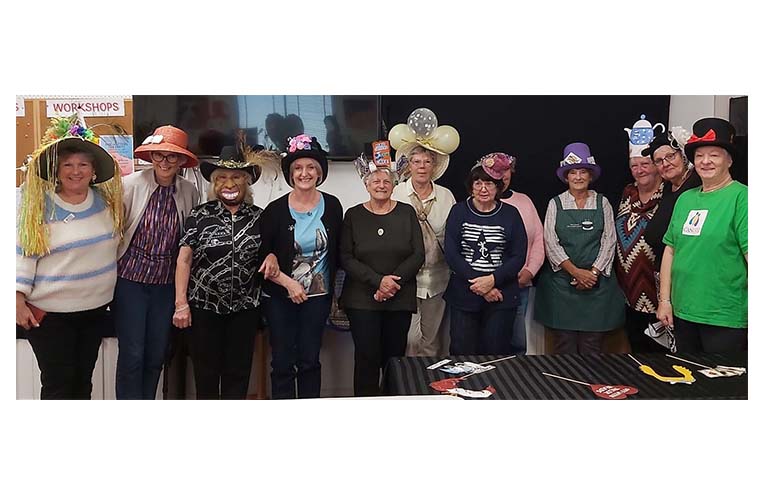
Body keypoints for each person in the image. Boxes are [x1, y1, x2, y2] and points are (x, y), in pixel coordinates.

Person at [16, 114, 123, 399]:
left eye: (83, 165)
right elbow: (23, 252)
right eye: (68, 165)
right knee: (58, 387)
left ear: (93, 170)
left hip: (94, 311)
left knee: (82, 383)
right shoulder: (39, 206)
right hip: (51, 317)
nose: (76, 171)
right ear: (57, 170)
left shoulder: (106, 203)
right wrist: (16, 299)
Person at [173, 145, 268, 399]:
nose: (229, 183)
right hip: (204, 309)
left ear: (246, 182)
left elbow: (270, 254)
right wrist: (181, 304)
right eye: (222, 177)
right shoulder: (199, 215)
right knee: (205, 375)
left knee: (238, 375)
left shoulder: (260, 217)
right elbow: (184, 260)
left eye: (236, 177)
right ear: (214, 184)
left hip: (245, 310)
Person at [114, 125, 200, 399]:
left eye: (172, 156)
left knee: (156, 353)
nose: (165, 162)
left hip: (166, 285)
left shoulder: (189, 191)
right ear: (151, 157)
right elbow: (116, 231)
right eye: (159, 155)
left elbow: (188, 241)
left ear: (181, 160)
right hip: (130, 282)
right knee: (132, 354)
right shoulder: (129, 185)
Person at [258, 135, 343, 399]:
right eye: (298, 168)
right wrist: (288, 282)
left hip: (317, 298)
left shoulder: (333, 206)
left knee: (310, 360)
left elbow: (339, 250)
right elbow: (262, 257)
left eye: (311, 168)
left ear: (319, 173)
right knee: (282, 362)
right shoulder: (274, 210)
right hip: (280, 297)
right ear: (290, 174)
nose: (304, 173)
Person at [656, 117, 747, 352]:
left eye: (714, 155)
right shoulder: (685, 199)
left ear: (729, 160)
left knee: (722, 376)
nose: (705, 161)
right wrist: (665, 301)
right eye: (699, 156)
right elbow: (670, 250)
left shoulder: (743, 198)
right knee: (686, 373)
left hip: (724, 316)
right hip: (683, 312)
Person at [340, 159, 424, 396]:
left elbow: (418, 254)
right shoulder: (353, 215)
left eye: (387, 181)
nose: (381, 185)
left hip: (399, 299)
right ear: (366, 185)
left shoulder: (407, 212)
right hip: (362, 300)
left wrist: (391, 284)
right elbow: (345, 257)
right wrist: (378, 282)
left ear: (394, 185)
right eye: (375, 181)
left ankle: (392, 407)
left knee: (394, 361)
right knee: (366, 358)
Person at [534, 142, 625, 354]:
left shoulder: (602, 202)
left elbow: (609, 240)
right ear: (566, 177)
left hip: (596, 285)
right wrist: (576, 272)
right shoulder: (555, 203)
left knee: (592, 345)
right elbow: (550, 242)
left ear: (590, 176)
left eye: (583, 172)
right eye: (573, 172)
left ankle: (589, 377)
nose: (578, 177)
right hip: (562, 285)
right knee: (563, 344)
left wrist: (592, 274)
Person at [443, 154, 527, 355]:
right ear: (471, 186)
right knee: (462, 354)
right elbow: (452, 253)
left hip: (501, 296)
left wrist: (493, 280)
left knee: (495, 354)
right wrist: (481, 286)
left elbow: (518, 255)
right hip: (464, 294)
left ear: (498, 187)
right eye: (478, 183)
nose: (483, 189)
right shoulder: (458, 211)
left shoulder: (511, 214)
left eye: (489, 184)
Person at [391, 143, 456, 357]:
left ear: (434, 166)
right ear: (409, 165)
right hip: (405, 278)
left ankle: (429, 376)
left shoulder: (446, 195)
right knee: (410, 338)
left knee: (432, 340)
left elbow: (453, 234)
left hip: (438, 277)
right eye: (416, 162)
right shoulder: (397, 193)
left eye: (427, 162)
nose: (422, 166)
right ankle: (408, 376)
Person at [614, 116, 666, 352]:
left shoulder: (669, 195)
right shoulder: (628, 192)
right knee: (636, 350)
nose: (639, 170)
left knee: (661, 355)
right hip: (629, 291)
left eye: (645, 163)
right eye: (634, 165)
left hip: (660, 293)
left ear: (656, 165)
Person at [499, 153, 544, 355]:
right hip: (487, 286)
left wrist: (530, 271)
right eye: (496, 171)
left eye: (505, 170)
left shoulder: (524, 201)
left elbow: (539, 240)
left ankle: (516, 375)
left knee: (517, 341)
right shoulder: (474, 203)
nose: (501, 175)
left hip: (519, 283)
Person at [641, 126, 701, 272]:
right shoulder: (667, 187)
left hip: (686, 271)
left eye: (670, 156)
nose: (665, 164)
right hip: (664, 271)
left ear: (683, 155)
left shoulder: (696, 184)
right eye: (659, 161)